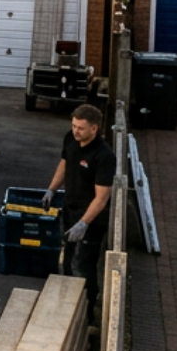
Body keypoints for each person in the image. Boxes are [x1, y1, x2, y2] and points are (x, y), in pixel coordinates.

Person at [42, 103, 113, 303]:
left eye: (80, 128)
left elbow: (101, 197)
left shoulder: (104, 156)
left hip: (90, 218)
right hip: (70, 209)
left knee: (83, 265)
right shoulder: (70, 139)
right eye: (74, 126)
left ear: (94, 128)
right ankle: (68, 302)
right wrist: (51, 189)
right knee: (67, 261)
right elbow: (64, 164)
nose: (76, 131)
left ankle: (88, 309)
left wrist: (84, 223)